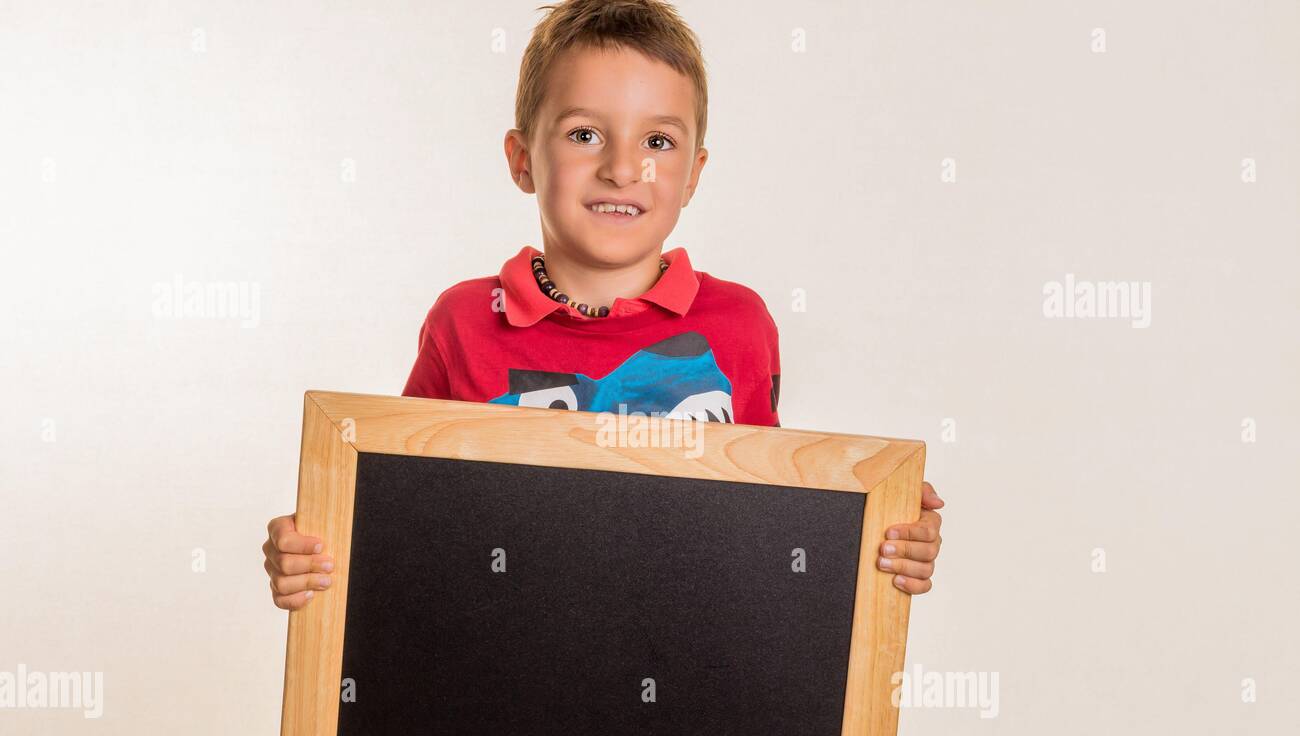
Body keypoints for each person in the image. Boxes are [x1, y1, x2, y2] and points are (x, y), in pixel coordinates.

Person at [262, 0, 944, 609]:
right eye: (584, 134)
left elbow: (766, 520)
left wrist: (879, 532)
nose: (623, 168)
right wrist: (315, 551)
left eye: (658, 142)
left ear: (693, 175)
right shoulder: (466, 323)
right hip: (503, 685)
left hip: (684, 691)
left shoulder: (737, 325)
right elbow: (397, 513)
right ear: (522, 158)